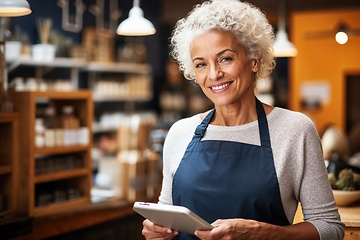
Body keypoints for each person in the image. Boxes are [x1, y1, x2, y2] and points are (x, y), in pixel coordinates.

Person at [142, 0, 345, 239]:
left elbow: (331, 228)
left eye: (225, 58)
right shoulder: (180, 132)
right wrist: (156, 232)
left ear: (254, 60)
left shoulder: (295, 130)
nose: (214, 74)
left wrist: (265, 233)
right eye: (201, 64)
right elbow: (166, 216)